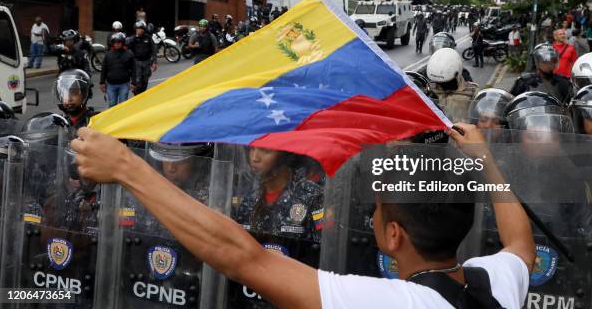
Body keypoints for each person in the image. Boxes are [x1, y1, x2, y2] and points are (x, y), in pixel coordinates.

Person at [72, 125, 535, 309]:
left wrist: (128, 169)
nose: (372, 212)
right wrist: (483, 159)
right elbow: (519, 242)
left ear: (393, 235)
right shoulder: (496, 280)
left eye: (378, 207)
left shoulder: (397, 303)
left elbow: (243, 258)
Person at [235, 147, 323, 242]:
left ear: (284, 155)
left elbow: (323, 248)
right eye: (252, 149)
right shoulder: (249, 200)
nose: (254, 158)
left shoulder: (311, 195)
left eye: (265, 150)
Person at [427, 48, 479, 121]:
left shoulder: (472, 91)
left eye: (447, 82)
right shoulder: (429, 89)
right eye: (438, 82)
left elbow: (479, 118)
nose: (441, 85)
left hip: (461, 131)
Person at [100, 33, 134, 108]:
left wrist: (133, 82)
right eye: (115, 42)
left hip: (124, 84)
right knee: (112, 104)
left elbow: (133, 69)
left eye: (119, 42)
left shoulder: (129, 54)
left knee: (123, 105)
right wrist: (102, 82)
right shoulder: (108, 55)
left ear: (122, 42)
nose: (117, 44)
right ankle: (113, 119)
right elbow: (104, 69)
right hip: (111, 84)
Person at [126, 20, 157, 95]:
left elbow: (154, 50)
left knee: (145, 81)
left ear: (144, 29)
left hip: (147, 62)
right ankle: (137, 96)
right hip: (136, 62)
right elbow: (126, 46)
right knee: (137, 81)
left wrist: (154, 62)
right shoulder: (132, 38)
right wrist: (135, 37)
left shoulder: (148, 38)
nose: (139, 30)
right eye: (138, 28)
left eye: (141, 28)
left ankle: (142, 95)